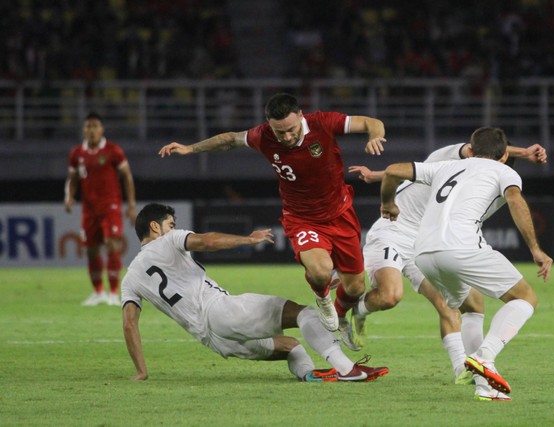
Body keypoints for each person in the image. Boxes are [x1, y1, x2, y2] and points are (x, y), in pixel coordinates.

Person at [158, 93, 387, 350]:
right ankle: (322, 298)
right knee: (321, 271)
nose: (287, 137)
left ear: (301, 116)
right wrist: (190, 148)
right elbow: (229, 139)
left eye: (291, 130)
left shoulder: (323, 123)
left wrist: (375, 136)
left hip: (340, 214)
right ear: (269, 124)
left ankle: (341, 313)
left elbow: (371, 121)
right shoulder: (263, 135)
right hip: (301, 218)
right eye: (280, 133)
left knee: (355, 288)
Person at [346, 141, 547, 385]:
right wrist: (524, 153)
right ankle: (359, 309)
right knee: (390, 296)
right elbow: (486, 148)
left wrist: (376, 175)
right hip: (393, 230)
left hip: (428, 240)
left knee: (450, 303)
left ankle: (463, 370)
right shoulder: (449, 158)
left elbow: (489, 152)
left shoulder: (471, 177)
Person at [121, 203, 389, 382]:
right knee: (303, 314)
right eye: (170, 223)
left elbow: (129, 324)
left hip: (215, 341)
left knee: (292, 347)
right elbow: (208, 240)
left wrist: (141, 371)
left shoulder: (131, 276)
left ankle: (310, 376)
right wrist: (247, 240)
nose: (173, 227)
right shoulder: (169, 240)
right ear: (155, 227)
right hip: (220, 311)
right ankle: (347, 369)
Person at [64, 112, 137, 306]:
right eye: (88, 126)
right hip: (89, 208)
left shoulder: (113, 151)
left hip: (110, 205)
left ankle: (114, 293)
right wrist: (69, 196)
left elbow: (127, 177)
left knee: (112, 244)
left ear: (102, 129)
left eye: (95, 126)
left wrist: (131, 205)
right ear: (83, 130)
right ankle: (98, 292)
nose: (92, 130)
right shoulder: (77, 153)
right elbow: (72, 179)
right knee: (90, 249)